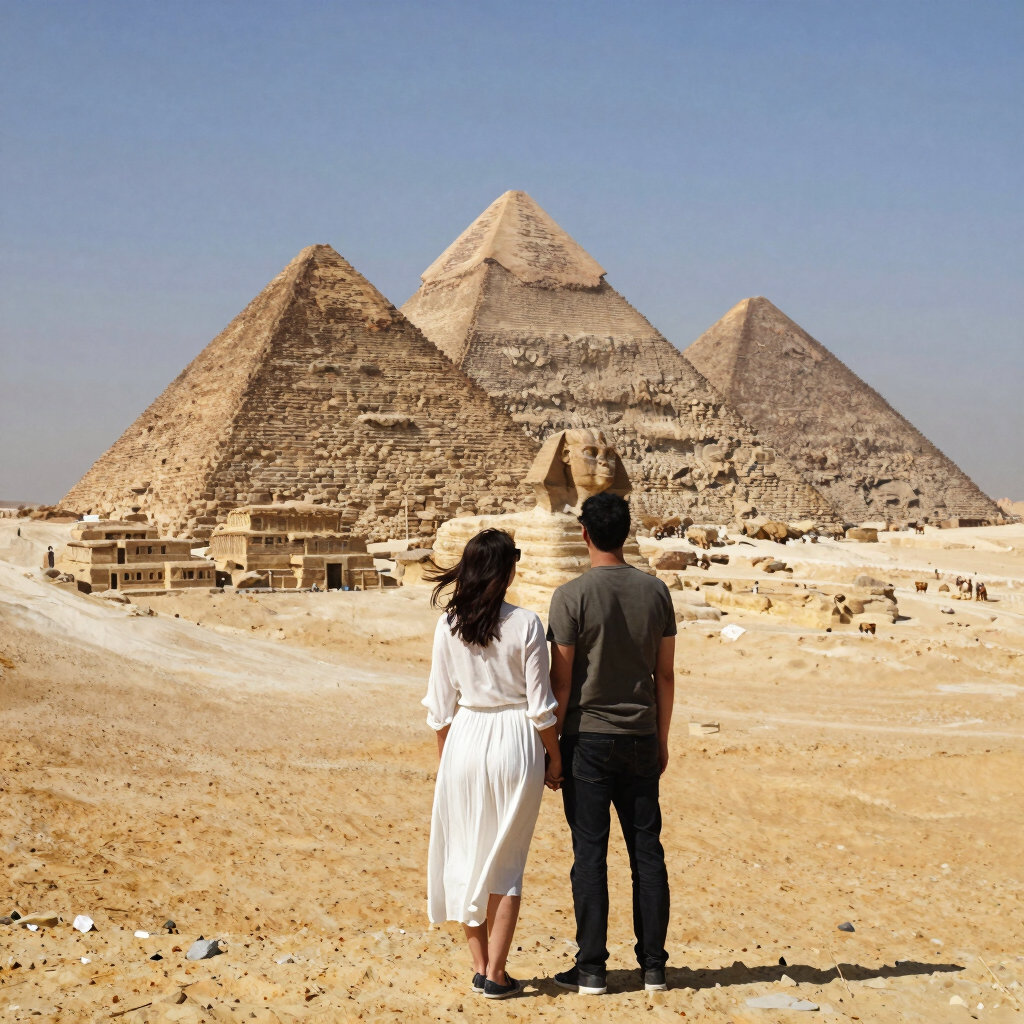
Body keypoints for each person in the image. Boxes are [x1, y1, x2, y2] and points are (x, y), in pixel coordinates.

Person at [423, 529, 563, 999]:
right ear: (505, 570)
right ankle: (497, 974)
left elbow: (439, 708)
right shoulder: (526, 623)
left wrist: (448, 764)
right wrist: (555, 759)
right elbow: (542, 707)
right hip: (514, 740)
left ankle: (480, 965)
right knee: (506, 861)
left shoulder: (448, 625)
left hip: (464, 738)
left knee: (468, 852)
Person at [547, 492, 676, 995]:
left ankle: (592, 969)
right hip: (642, 735)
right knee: (647, 852)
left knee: (590, 855)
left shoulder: (570, 596)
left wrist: (553, 750)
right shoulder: (657, 592)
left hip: (587, 742)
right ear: (625, 532)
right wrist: (661, 739)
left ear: (584, 533)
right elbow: (664, 675)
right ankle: (653, 967)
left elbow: (562, 684)